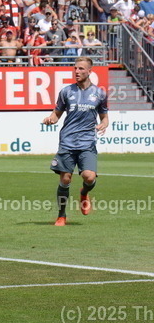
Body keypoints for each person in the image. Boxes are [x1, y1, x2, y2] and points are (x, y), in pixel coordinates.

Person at [42, 56, 109, 226]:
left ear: (89, 71)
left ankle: (84, 192)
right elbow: (56, 114)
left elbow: (104, 117)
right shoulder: (66, 91)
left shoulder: (100, 93)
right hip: (68, 141)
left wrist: (104, 124)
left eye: (81, 69)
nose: (77, 71)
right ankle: (61, 215)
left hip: (87, 142)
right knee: (65, 179)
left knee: (89, 177)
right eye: (75, 68)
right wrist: (50, 119)